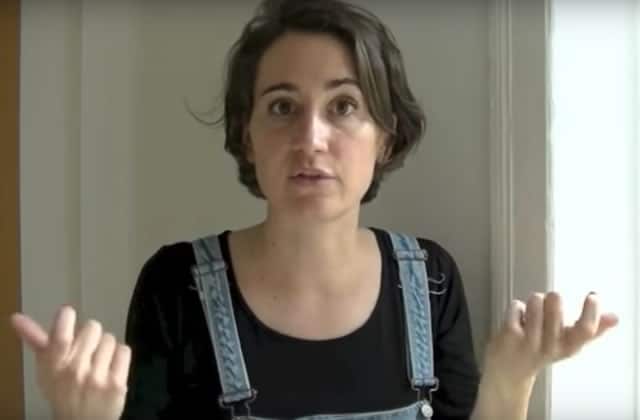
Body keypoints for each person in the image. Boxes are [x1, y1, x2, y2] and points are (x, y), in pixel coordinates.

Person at [11, 0, 619, 419]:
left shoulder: (431, 279)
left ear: (386, 138)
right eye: (282, 107)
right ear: (248, 136)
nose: (311, 138)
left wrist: (512, 380)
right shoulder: (175, 286)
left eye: (344, 106)